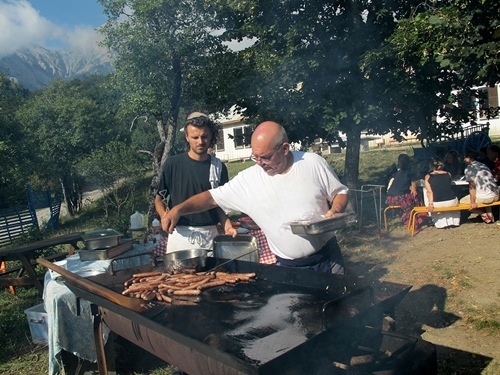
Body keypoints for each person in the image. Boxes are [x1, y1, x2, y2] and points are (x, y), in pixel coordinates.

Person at [162, 121, 349, 275]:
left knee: (337, 313)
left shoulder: (312, 163)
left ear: (285, 148)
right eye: (255, 157)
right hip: (287, 266)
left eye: (265, 157)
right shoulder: (249, 180)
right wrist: (178, 209)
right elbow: (211, 198)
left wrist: (336, 209)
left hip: (328, 260)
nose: (259, 163)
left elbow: (339, 192)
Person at [154, 111, 235, 254]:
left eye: (204, 136)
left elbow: (219, 203)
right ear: (187, 137)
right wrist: (164, 216)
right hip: (179, 235)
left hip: (209, 236)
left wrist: (227, 225)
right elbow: (159, 198)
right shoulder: (173, 164)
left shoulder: (218, 167)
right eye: (195, 137)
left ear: (211, 136)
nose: (200, 141)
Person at [460, 151, 499, 223]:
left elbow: (472, 188)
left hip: (486, 197)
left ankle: (483, 214)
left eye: (464, 158)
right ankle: (489, 212)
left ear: (468, 158)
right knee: (485, 191)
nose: (464, 160)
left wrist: (472, 202)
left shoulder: (469, 169)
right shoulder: (483, 165)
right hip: (496, 194)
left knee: (462, 202)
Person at [386, 154, 423, 228]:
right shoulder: (409, 173)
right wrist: (412, 187)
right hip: (400, 198)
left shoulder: (396, 174)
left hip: (390, 199)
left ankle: (414, 217)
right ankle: (418, 218)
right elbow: (414, 187)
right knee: (416, 195)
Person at [424, 157, 460, 228]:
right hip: (451, 201)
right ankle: (453, 221)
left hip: (437, 203)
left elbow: (430, 192)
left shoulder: (428, 176)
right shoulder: (448, 174)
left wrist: (430, 204)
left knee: (426, 193)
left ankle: (440, 222)